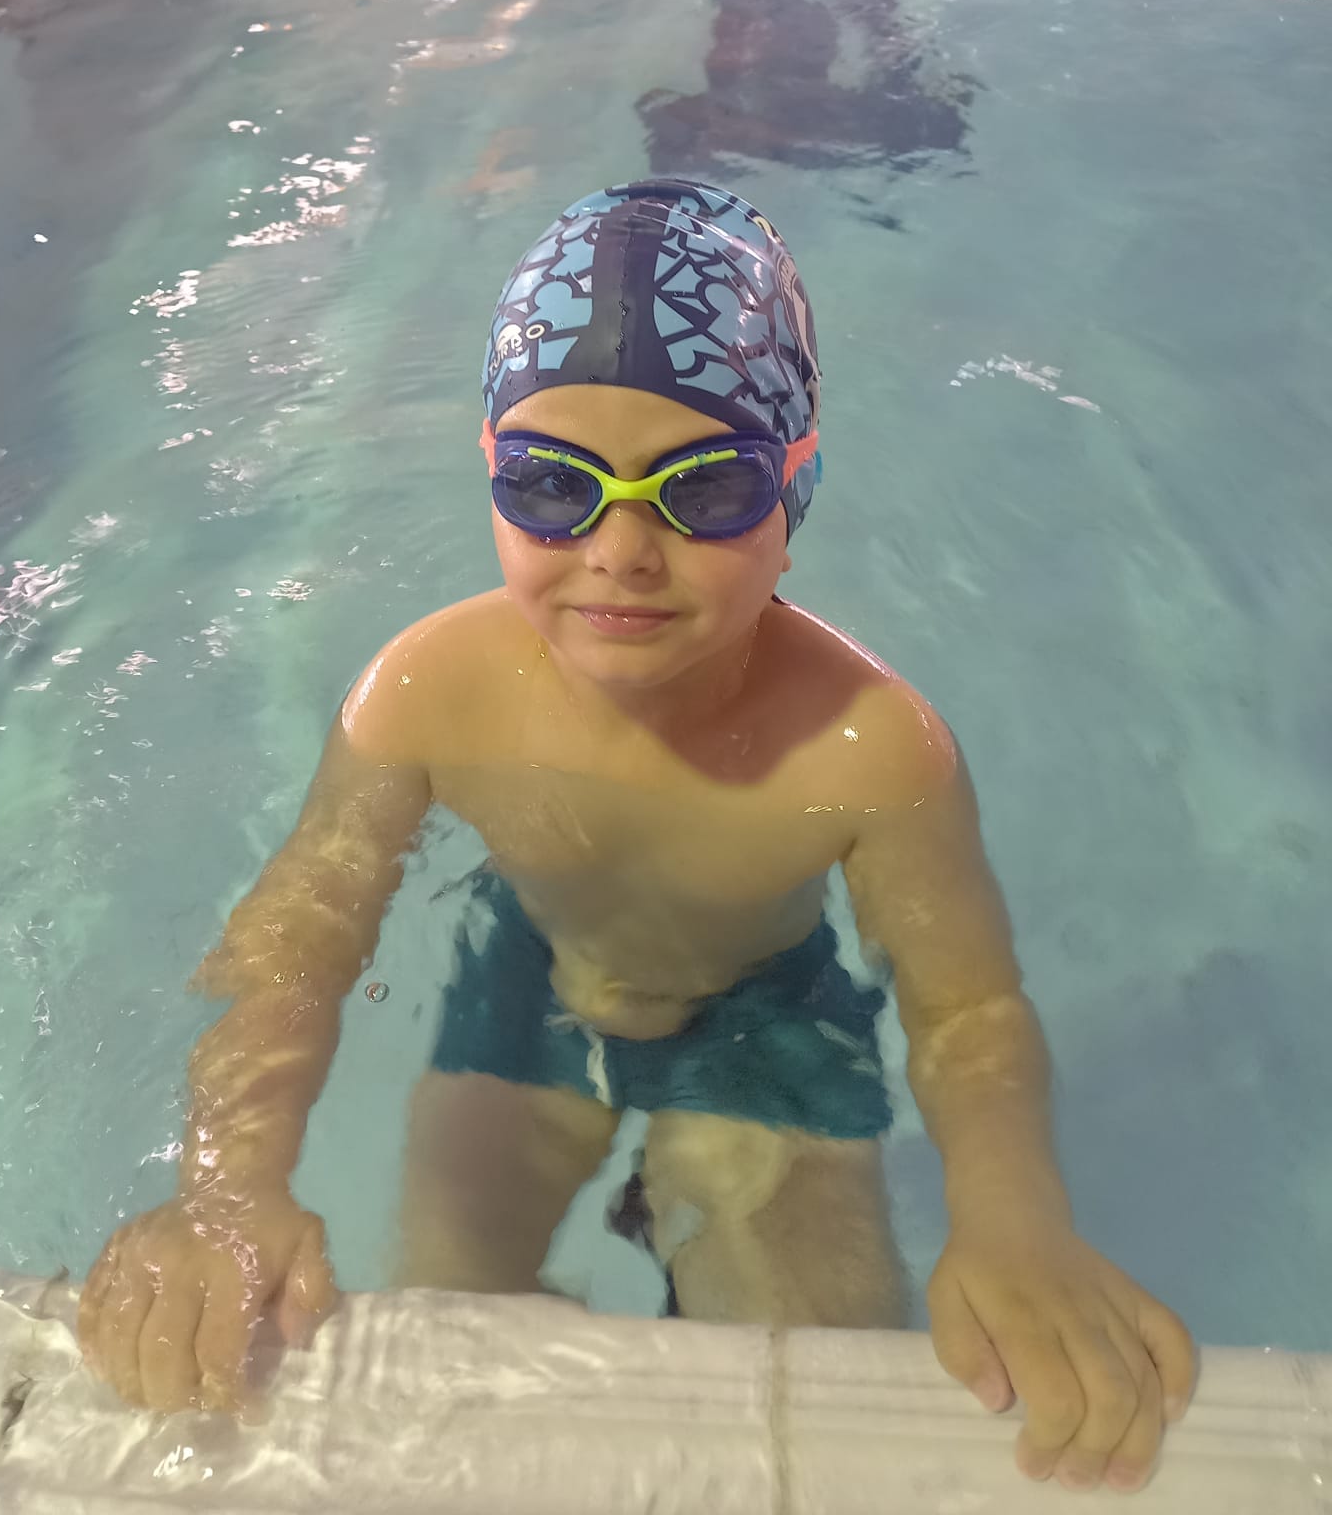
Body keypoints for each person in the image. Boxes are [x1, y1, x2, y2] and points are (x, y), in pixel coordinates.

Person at [78, 181, 1194, 1493]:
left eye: (703, 490)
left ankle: (685, 1197)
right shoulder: (424, 693)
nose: (620, 550)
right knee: (443, 1348)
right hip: (525, 993)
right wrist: (227, 1186)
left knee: (817, 1389)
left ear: (795, 491)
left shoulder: (873, 750)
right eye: (553, 485)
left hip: (767, 1021)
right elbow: (294, 949)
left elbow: (967, 1011)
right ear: (490, 473)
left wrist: (1016, 1222)